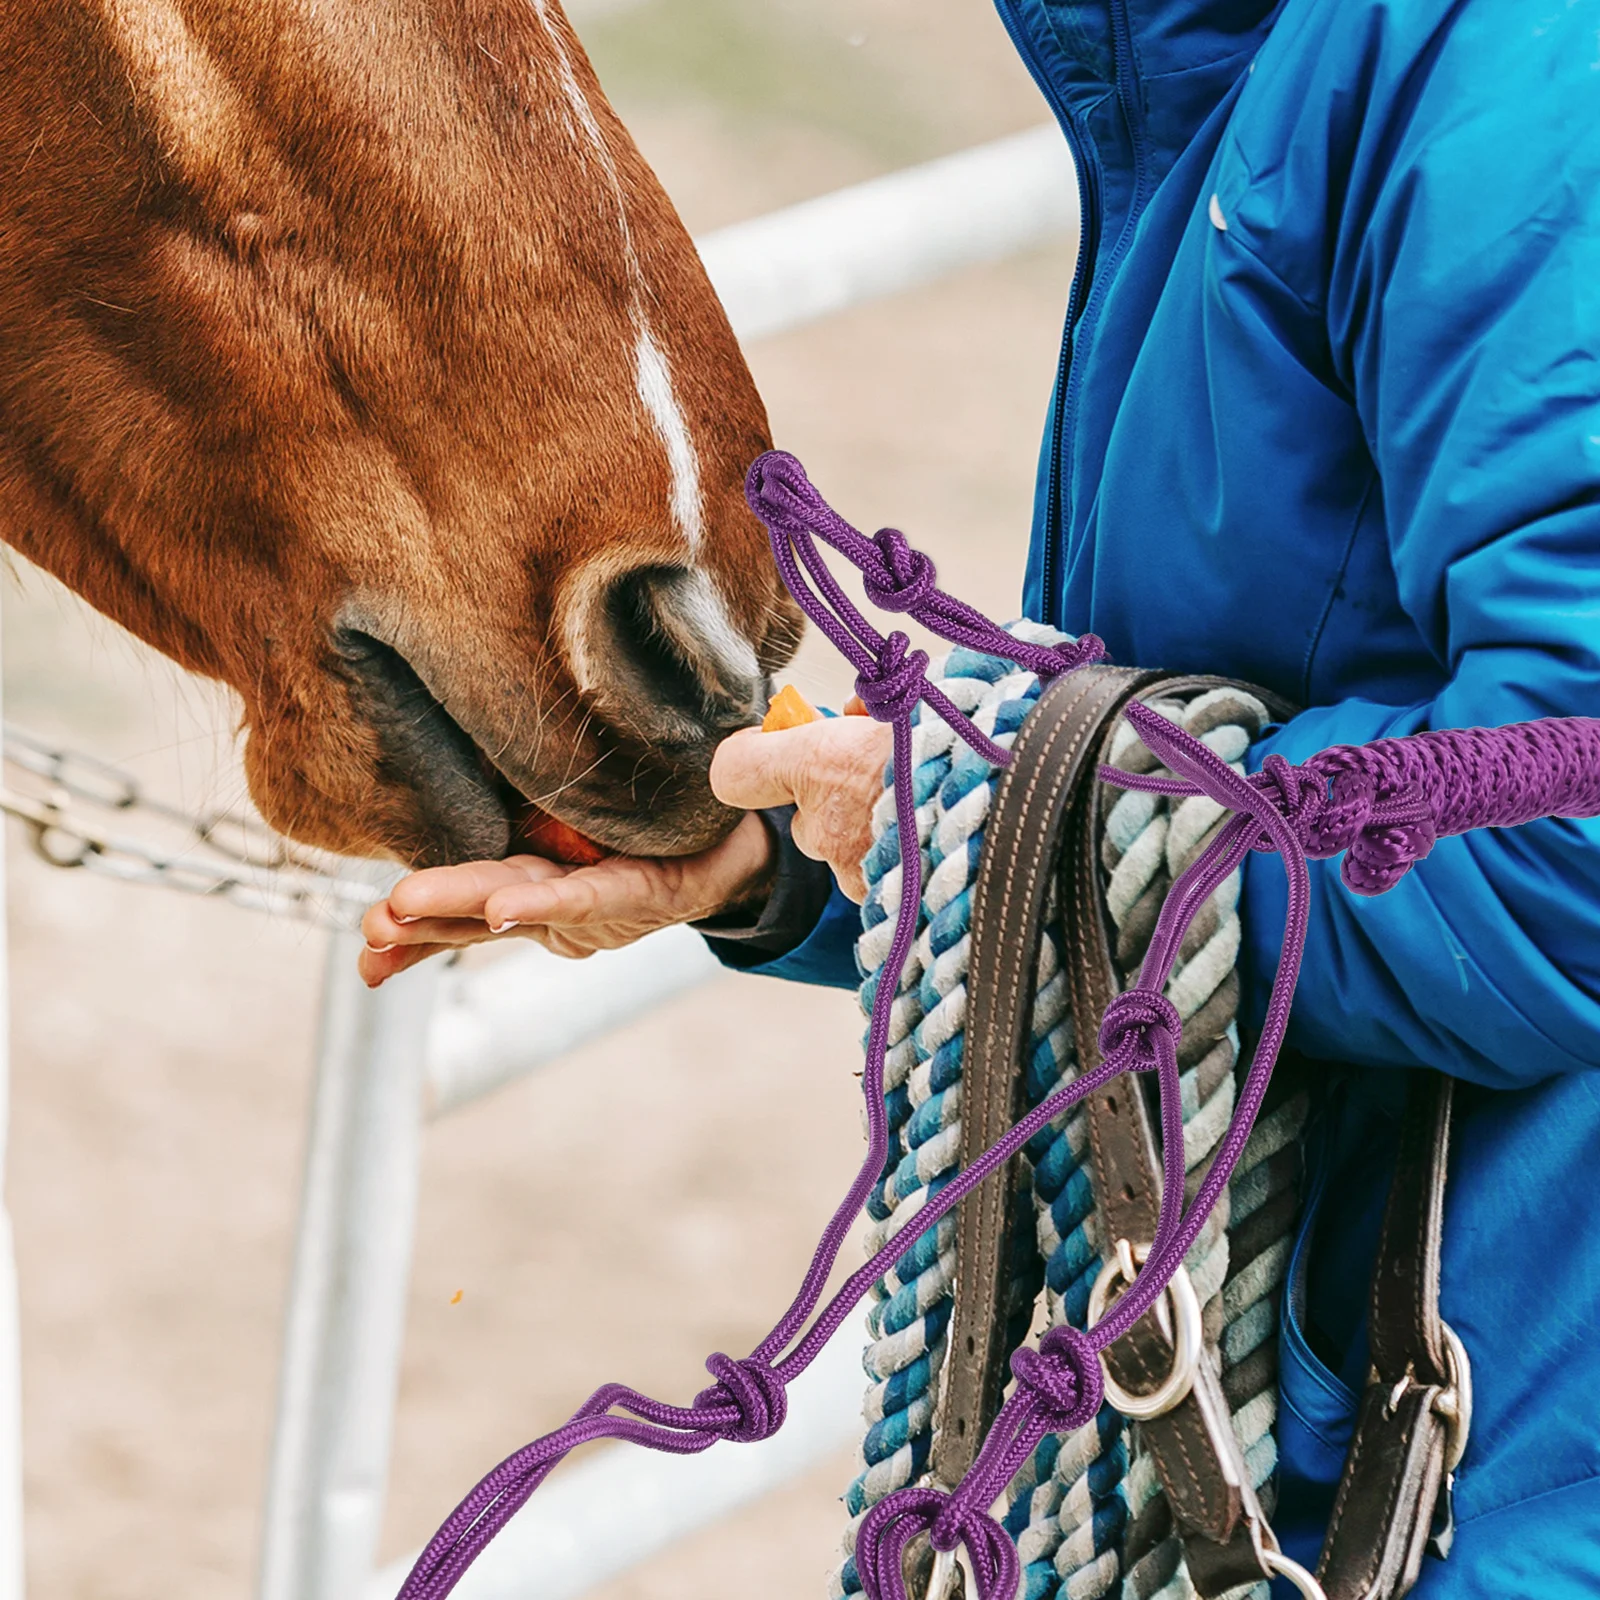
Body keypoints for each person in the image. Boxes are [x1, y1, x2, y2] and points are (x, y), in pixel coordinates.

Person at [359, 0, 1600, 1589]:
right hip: (1324, 1445)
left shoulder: (1503, 62)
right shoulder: (1199, 74)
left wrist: (984, 806)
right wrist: (792, 852)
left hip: (1476, 1479)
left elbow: (1561, 836)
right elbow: (1233, 692)